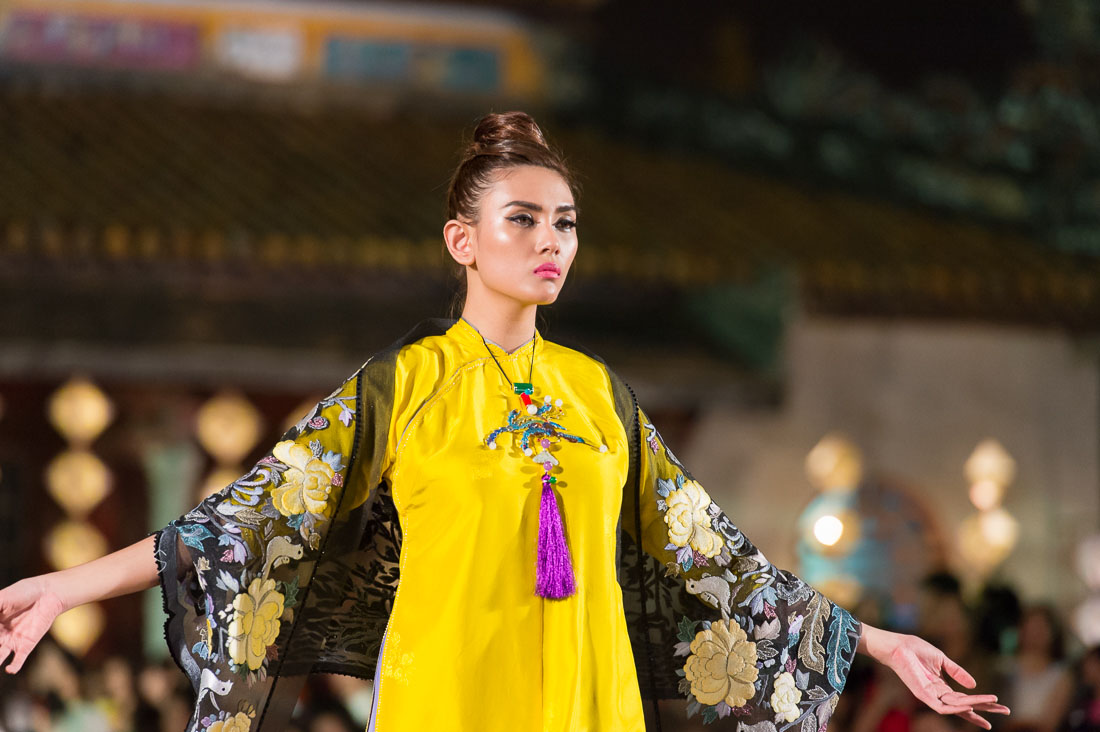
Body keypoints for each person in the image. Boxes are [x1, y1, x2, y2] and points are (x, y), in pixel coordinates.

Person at [0, 111, 1008, 732]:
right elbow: (249, 520)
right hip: (449, 702)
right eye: (520, 218)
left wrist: (876, 643)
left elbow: (720, 561)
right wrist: (67, 585)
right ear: (460, 240)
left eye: (564, 221)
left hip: (591, 707)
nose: (549, 241)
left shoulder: (599, 396)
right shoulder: (405, 385)